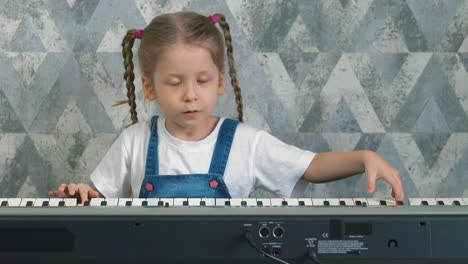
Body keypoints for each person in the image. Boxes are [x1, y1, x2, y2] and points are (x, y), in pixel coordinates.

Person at [49, 11, 404, 203]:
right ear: (150, 87)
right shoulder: (134, 141)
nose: (190, 94)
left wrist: (363, 158)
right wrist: (82, 194)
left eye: (202, 81)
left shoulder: (246, 143)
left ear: (220, 80)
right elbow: (100, 199)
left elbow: (310, 167)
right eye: (175, 83)